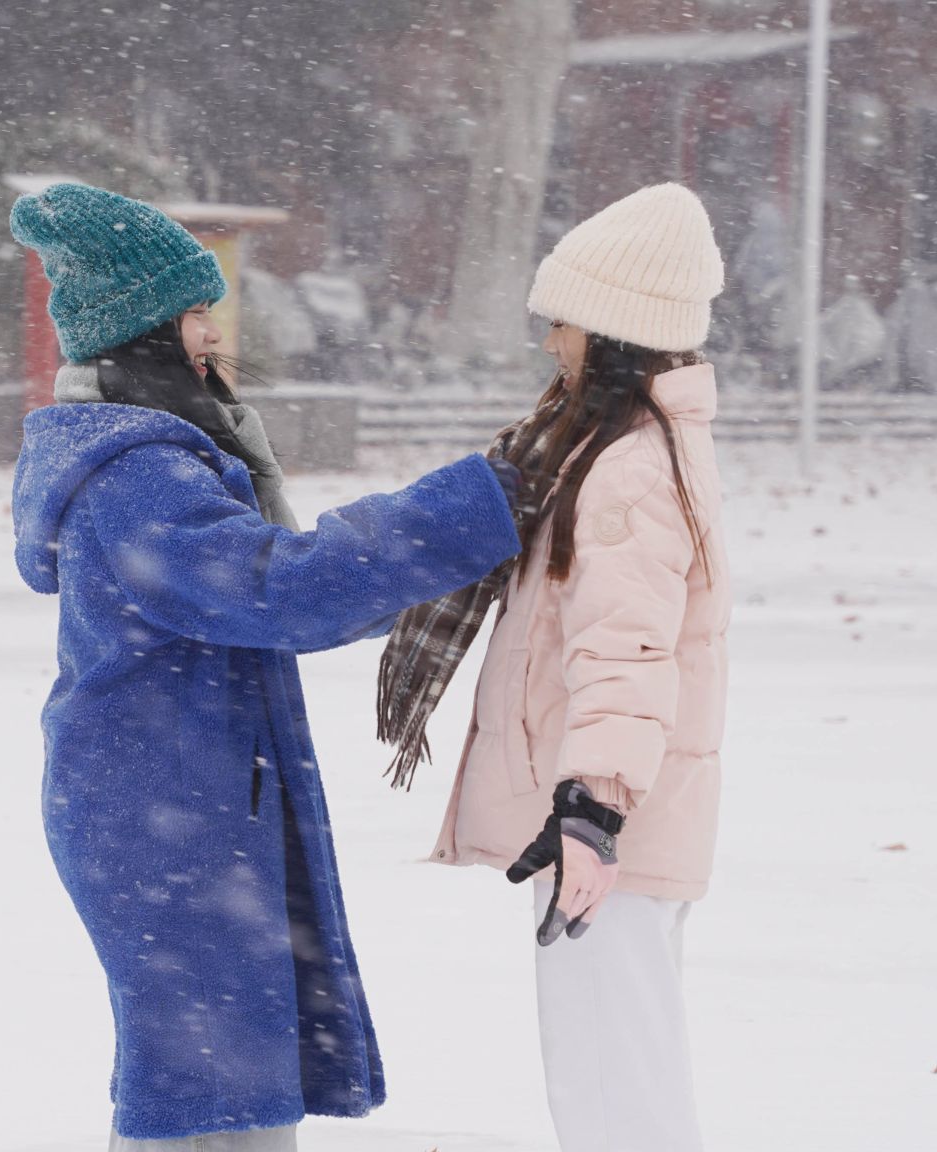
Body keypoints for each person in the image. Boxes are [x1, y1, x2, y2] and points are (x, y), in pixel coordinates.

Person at [7, 183, 523, 1150]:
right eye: (195, 312)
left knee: (228, 1085)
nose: (214, 331)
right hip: (161, 817)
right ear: (144, 329)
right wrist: (466, 510)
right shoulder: (137, 477)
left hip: (176, 803)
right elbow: (278, 590)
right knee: (201, 1093)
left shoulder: (156, 458)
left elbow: (284, 594)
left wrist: (430, 551)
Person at [377, 182, 731, 1152]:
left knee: (612, 1084)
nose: (550, 343)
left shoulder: (626, 469)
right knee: (618, 1071)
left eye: (563, 322)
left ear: (613, 332)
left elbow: (627, 647)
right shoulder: (621, 449)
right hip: (612, 820)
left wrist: (592, 809)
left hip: (606, 830)